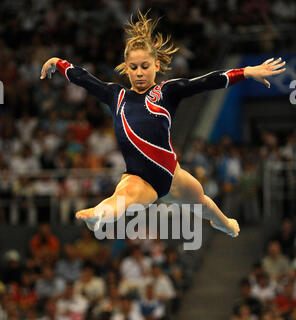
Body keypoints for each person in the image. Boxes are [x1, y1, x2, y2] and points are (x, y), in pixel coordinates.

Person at [40, 11, 285, 239]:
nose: (139, 72)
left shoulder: (167, 92)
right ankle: (99, 215)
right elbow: (85, 79)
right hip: (140, 177)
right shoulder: (116, 95)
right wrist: (58, 62)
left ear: (156, 65)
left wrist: (246, 72)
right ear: (126, 68)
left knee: (201, 202)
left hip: (172, 173)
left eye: (145, 66)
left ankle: (224, 222)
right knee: (122, 197)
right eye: (133, 67)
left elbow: (207, 81)